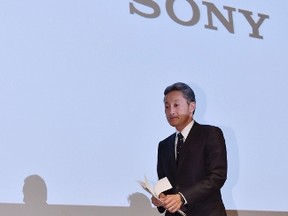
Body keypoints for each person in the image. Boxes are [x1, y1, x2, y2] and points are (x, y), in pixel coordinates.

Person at [151, 82, 227, 216]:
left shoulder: (210, 134)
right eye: (167, 106)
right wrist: (161, 198)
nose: (171, 111)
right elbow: (165, 183)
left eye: (176, 105)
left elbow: (217, 176)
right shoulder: (164, 145)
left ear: (192, 106)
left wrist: (182, 197)